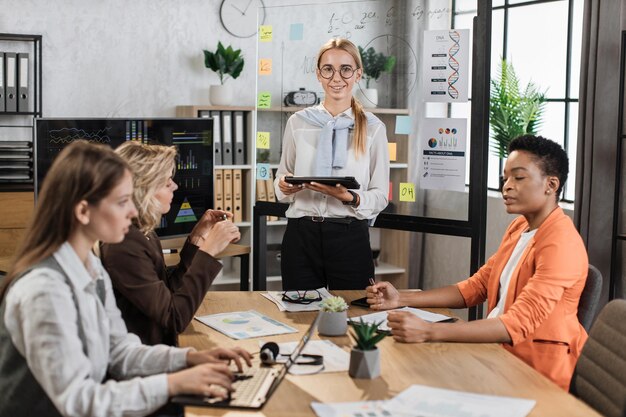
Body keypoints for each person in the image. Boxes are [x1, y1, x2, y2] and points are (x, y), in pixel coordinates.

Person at [0, 141, 252, 417]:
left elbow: (119, 352)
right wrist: (172, 383)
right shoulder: (45, 290)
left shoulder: (90, 268)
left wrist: (187, 358)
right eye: (122, 202)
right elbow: (77, 401)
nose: (133, 211)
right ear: (83, 211)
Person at [367, 135, 588, 390]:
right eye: (505, 178)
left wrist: (429, 331)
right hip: (497, 354)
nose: (507, 186)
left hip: (533, 372)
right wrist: (402, 298)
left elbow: (517, 323)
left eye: (518, 177)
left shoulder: (561, 244)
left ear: (551, 184)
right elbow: (475, 288)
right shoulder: (520, 227)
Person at [274, 38, 389, 291]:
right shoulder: (298, 122)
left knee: (353, 316)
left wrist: (350, 197)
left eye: (345, 69)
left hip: (349, 236)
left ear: (358, 74)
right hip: (301, 236)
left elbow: (381, 196)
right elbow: (281, 179)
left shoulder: (373, 128)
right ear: (318, 74)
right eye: (328, 69)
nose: (337, 77)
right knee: (299, 314)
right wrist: (284, 185)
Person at [100, 141, 240, 346]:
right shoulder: (124, 244)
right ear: (143, 189)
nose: (175, 186)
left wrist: (196, 240)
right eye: (166, 183)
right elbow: (174, 318)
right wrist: (208, 252)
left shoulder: (143, 232)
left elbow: (170, 293)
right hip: (144, 359)